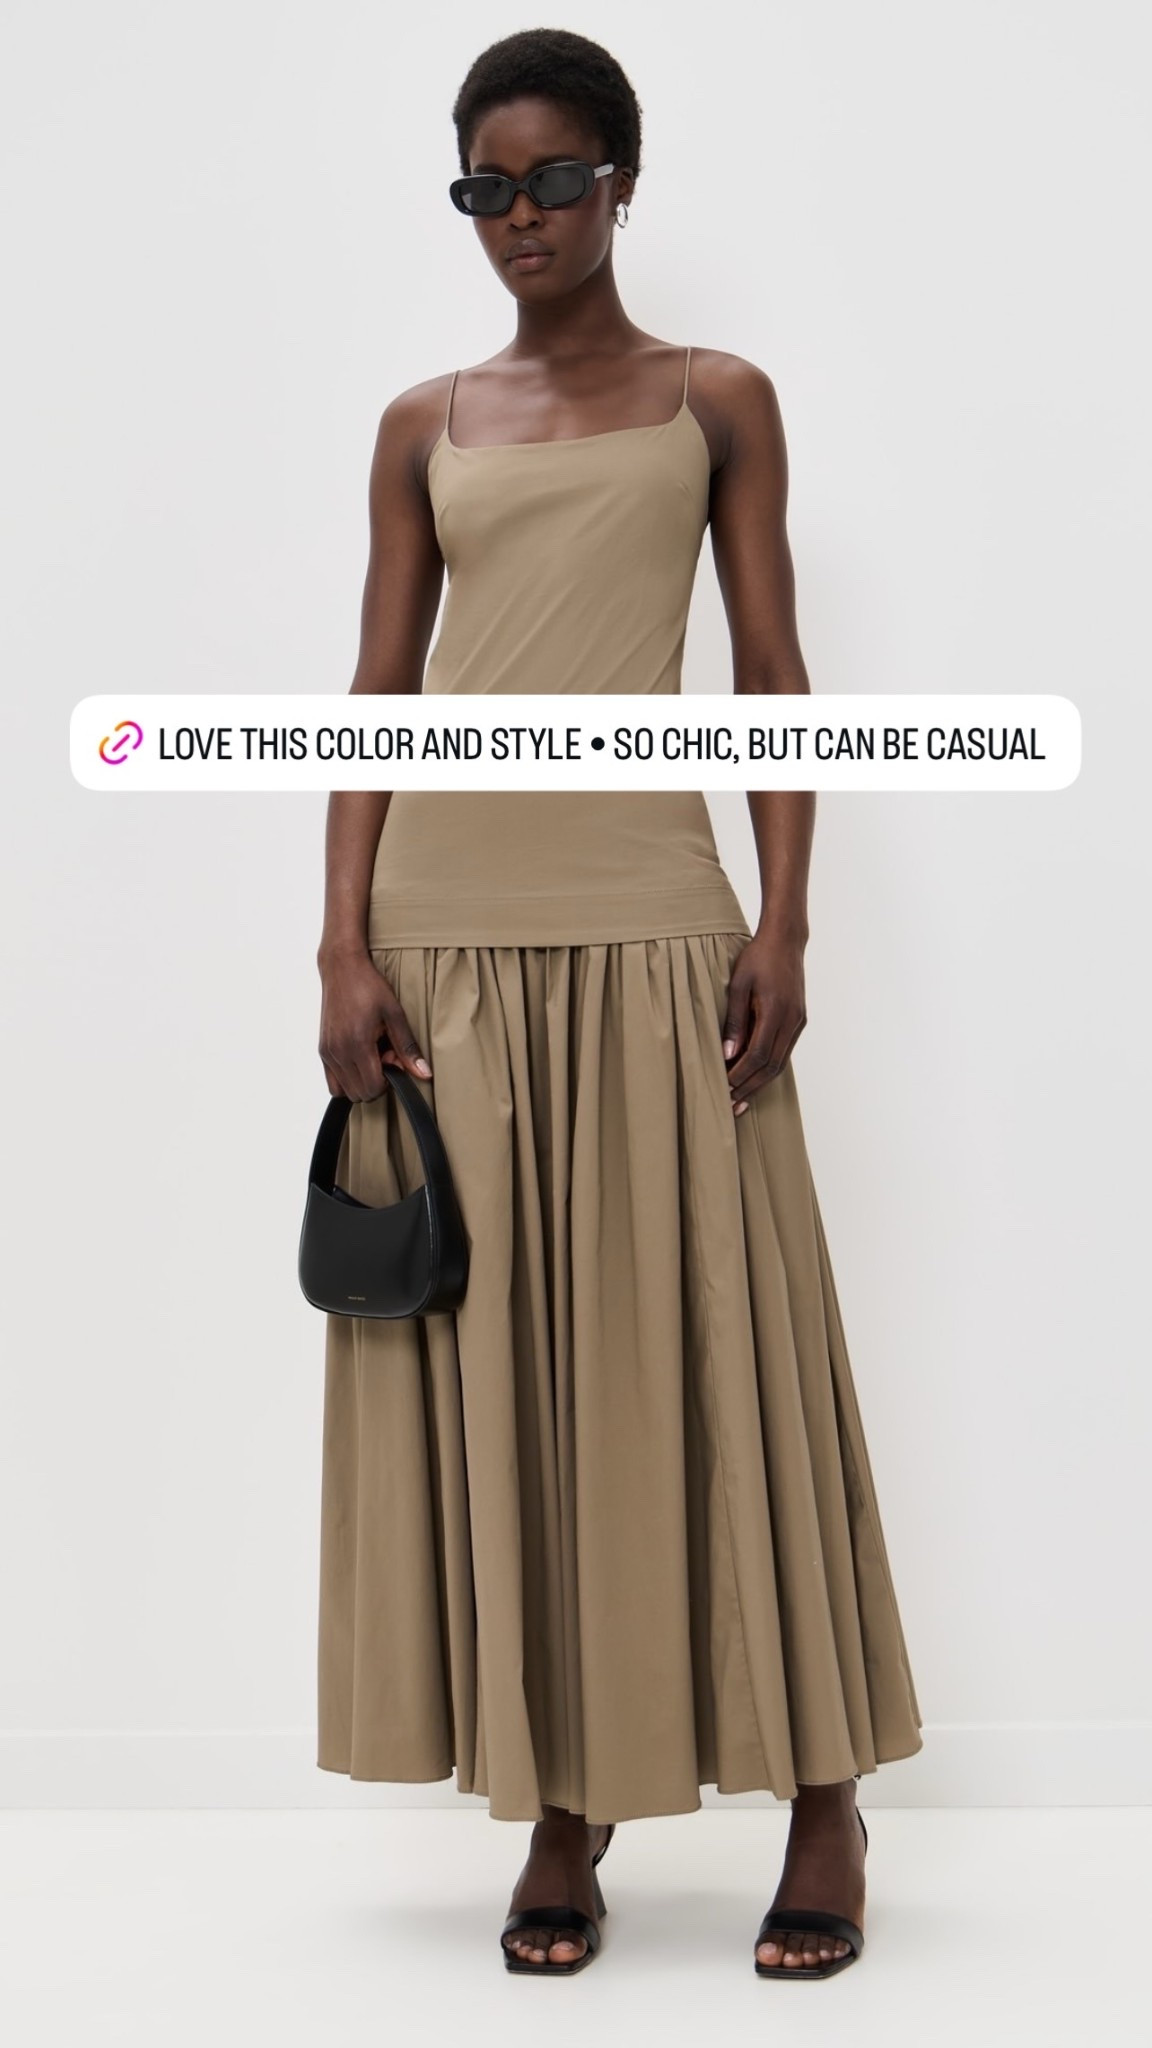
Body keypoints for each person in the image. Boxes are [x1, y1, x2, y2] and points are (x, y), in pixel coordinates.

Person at [314, 25, 923, 1980]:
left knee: (732, 1336)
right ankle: (565, 1805)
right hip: (451, 934)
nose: (523, 219)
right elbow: (377, 694)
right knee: (519, 1360)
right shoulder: (423, 424)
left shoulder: (714, 398)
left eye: (556, 180)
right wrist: (340, 942)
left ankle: (824, 1793)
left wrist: (790, 921)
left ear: (623, 184)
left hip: (660, 913)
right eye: (487, 189)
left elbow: (771, 671)